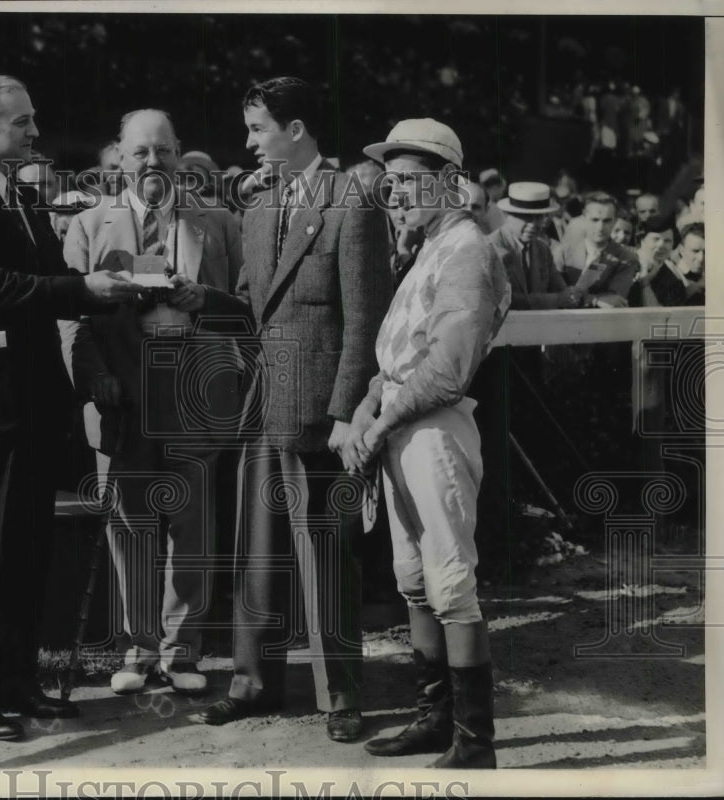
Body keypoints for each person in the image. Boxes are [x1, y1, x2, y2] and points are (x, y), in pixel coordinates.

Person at [0, 74, 140, 742]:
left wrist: (111, 288)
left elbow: (48, 277)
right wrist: (80, 286)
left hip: (33, 399)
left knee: (25, 551)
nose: (36, 132)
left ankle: (17, 682)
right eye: (23, 123)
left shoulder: (19, 192)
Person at [194, 77, 392, 743]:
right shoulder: (259, 208)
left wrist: (345, 414)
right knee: (256, 554)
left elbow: (366, 323)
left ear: (297, 129)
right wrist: (188, 297)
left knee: (326, 557)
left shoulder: (352, 202)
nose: (248, 143)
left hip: (319, 413)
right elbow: (252, 302)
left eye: (257, 129)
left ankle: (341, 695)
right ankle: (252, 683)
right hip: (262, 406)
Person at [61, 109, 244, 698]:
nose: (152, 163)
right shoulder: (88, 225)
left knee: (191, 523)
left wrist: (206, 298)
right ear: (118, 155)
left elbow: (248, 307)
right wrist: (93, 378)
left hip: (193, 386)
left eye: (163, 151)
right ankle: (135, 650)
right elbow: (70, 318)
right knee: (129, 521)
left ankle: (182, 651)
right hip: (121, 391)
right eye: (140, 152)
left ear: (178, 153)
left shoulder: (217, 222)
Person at [353, 118, 510, 768]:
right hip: (399, 425)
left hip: (433, 429)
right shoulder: (430, 246)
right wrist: (368, 407)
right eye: (391, 185)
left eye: (411, 182)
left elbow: (446, 368)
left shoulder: (468, 248)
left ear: (451, 181)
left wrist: (381, 422)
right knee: (413, 580)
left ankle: (476, 743)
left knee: (451, 582)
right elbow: (398, 354)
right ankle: (434, 718)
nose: (397, 196)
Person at [489, 182, 582, 310]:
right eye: (525, 217)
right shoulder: (489, 249)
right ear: (507, 215)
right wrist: (558, 299)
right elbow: (504, 299)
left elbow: (560, 289)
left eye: (538, 217)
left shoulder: (542, 249)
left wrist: (572, 294)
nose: (532, 224)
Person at [551, 191, 639, 307]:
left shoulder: (626, 258)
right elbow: (554, 293)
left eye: (607, 221)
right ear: (584, 218)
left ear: (615, 221)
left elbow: (616, 300)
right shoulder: (562, 252)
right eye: (595, 220)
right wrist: (594, 300)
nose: (600, 227)